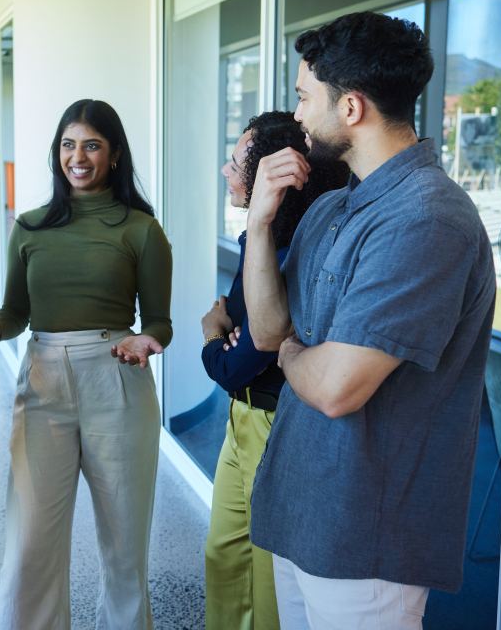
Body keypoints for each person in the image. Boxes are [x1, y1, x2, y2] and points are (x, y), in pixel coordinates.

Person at [243, 12, 496, 629]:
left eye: (305, 98)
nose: (297, 115)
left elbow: (335, 387)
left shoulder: (428, 220)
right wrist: (257, 223)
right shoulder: (333, 207)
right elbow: (268, 333)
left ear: (350, 107)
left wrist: (296, 358)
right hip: (303, 512)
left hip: (368, 538)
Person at [0, 99, 173, 630]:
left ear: (114, 154)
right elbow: (16, 311)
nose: (79, 156)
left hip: (116, 375)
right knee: (30, 539)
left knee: (124, 546)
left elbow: (159, 321)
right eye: (69, 144)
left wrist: (146, 340)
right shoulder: (29, 227)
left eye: (92, 144)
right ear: (56, 152)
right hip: (44, 380)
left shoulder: (141, 229)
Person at [200, 111, 348, 630]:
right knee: (223, 558)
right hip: (239, 425)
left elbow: (237, 363)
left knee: (267, 588)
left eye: (237, 162)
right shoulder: (256, 242)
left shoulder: (284, 252)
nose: (226, 170)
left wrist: (212, 333)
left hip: (272, 424)